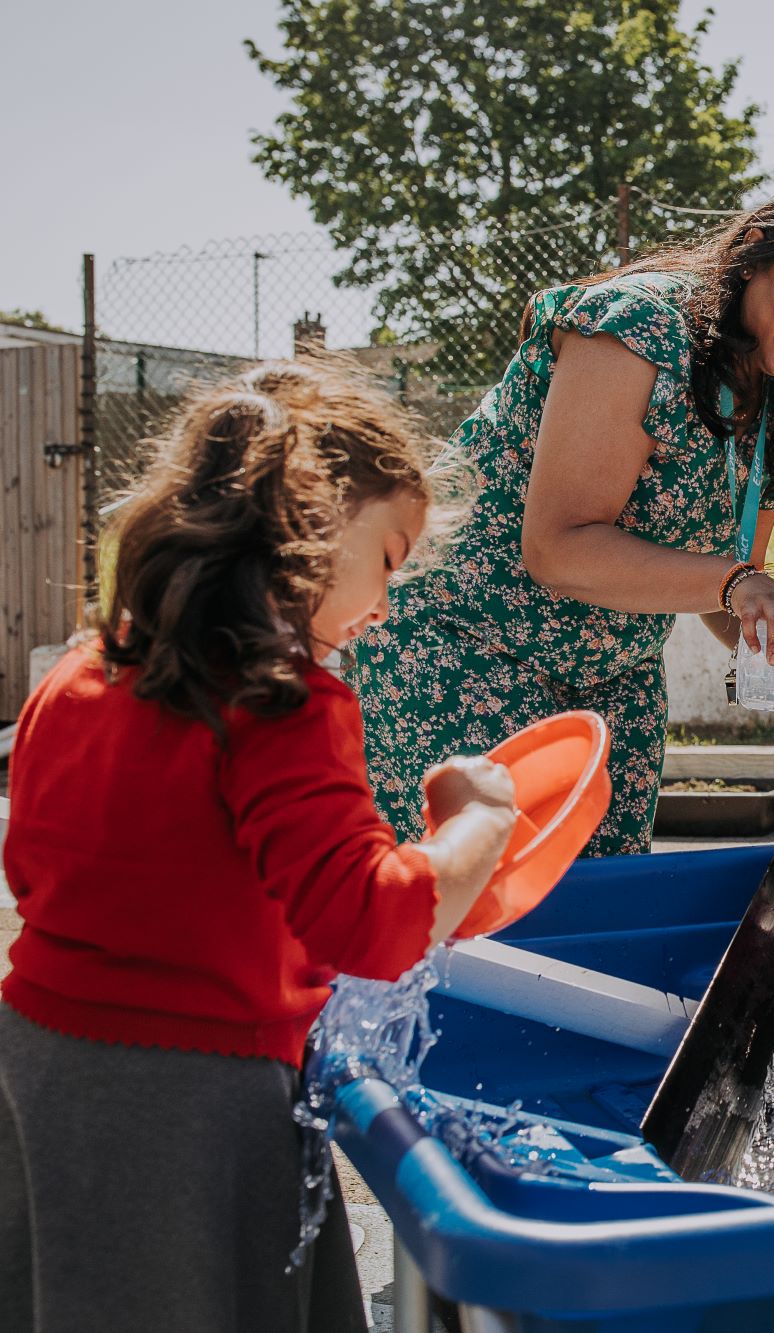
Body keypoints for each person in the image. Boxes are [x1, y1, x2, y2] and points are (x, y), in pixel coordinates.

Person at [0, 362, 517, 1332]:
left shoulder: (87, 665)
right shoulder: (281, 701)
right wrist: (479, 819)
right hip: (188, 1093)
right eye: (392, 558)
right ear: (311, 527)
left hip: (39, 1058)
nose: (389, 600)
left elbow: (35, 868)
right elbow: (373, 921)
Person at [350, 183, 774, 856]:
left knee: (604, 910)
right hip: (467, 643)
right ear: (753, 256)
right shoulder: (639, 327)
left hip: (614, 673)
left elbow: (724, 594)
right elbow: (558, 549)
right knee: (480, 908)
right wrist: (737, 583)